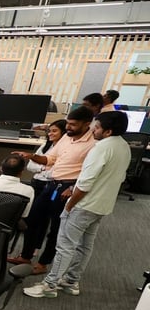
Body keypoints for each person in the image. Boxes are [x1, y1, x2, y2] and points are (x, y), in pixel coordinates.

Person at [24, 110, 130, 298]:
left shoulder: (100, 148)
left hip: (84, 204)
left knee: (65, 245)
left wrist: (69, 205)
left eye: (97, 127)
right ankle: (71, 281)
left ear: (107, 131)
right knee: (84, 246)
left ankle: (49, 286)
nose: (93, 130)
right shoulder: (123, 146)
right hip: (102, 206)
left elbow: (85, 182)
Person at [11, 107, 96, 274]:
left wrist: (73, 188)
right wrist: (31, 156)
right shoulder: (67, 138)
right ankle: (26, 256)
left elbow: (91, 172)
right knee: (32, 220)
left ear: (87, 124)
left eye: (73, 124)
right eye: (68, 123)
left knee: (56, 228)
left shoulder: (93, 144)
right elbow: (50, 159)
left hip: (68, 187)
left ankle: (43, 263)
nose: (69, 127)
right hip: (52, 184)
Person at [26, 119, 67, 199]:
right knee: (32, 205)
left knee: (46, 205)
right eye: (49, 131)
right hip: (36, 181)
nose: (50, 134)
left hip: (51, 184)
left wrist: (40, 166)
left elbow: (52, 174)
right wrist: (43, 167)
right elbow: (30, 166)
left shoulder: (65, 149)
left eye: (54, 131)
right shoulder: (46, 145)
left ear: (63, 132)